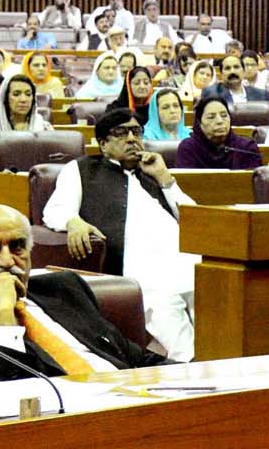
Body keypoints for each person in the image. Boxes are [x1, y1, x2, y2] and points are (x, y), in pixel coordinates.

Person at [0, 204, 169, 386]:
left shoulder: (63, 288)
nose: (6, 260)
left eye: (17, 246)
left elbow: (137, 358)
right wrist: (3, 314)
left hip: (132, 401)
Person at [42, 108, 197, 360]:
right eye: (121, 133)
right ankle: (192, 373)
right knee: (177, 332)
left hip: (185, 260)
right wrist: (74, 222)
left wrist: (165, 178)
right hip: (141, 268)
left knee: (218, 315)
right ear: (103, 144)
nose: (132, 139)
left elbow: (193, 219)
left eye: (136, 132)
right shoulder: (82, 170)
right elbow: (55, 210)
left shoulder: (151, 172)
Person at [176, 96, 263, 170]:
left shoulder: (246, 148)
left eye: (224, 115)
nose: (220, 121)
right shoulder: (188, 149)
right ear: (199, 123)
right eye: (211, 117)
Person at [0, 72, 49, 138]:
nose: (23, 100)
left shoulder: (43, 127)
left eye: (28, 94)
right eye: (16, 94)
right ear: (5, 98)